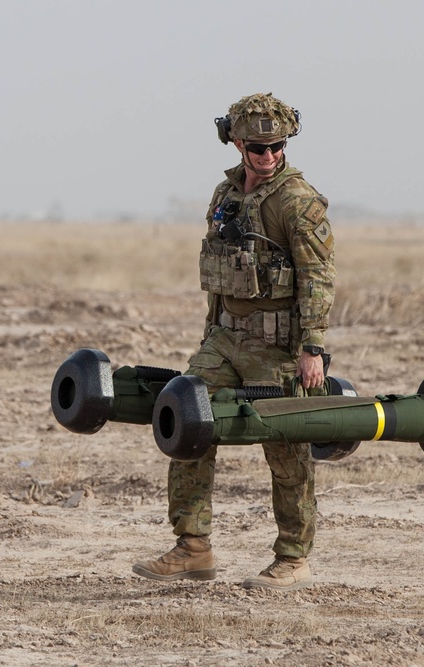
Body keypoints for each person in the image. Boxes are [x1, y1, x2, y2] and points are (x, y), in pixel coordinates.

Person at [132, 93, 336, 591]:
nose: (268, 156)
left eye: (277, 147)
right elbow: (220, 274)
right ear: (237, 143)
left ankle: (293, 557)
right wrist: (211, 331)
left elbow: (317, 276)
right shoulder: (225, 195)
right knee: (187, 421)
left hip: (276, 346)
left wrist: (313, 347)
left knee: (286, 449)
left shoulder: (297, 200)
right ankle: (192, 547)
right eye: (258, 148)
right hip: (224, 338)